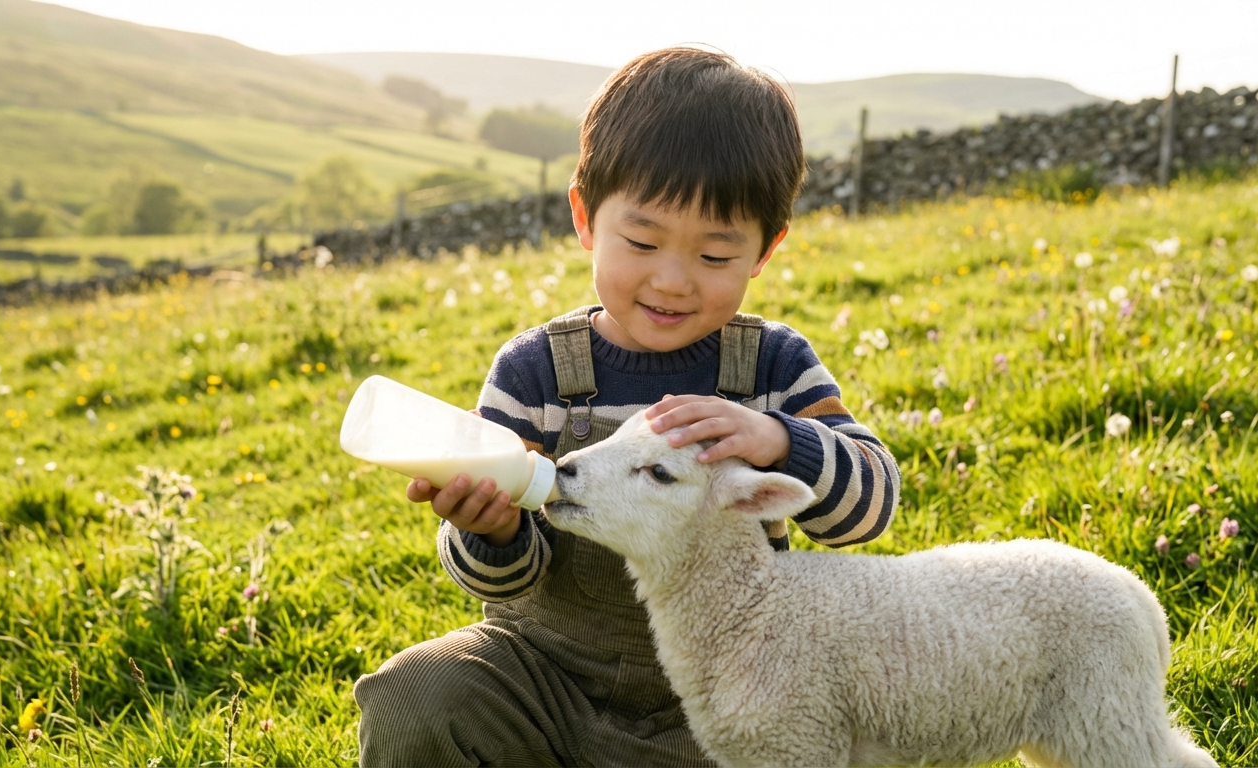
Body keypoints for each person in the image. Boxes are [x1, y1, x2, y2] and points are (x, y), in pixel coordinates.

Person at [354, 46, 902, 767]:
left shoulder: (772, 367)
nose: (672, 280)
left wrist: (776, 438)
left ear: (766, 250)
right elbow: (499, 580)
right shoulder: (535, 372)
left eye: (715, 256)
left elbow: (868, 508)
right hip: (549, 686)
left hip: (724, 695)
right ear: (585, 216)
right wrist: (489, 532)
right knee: (421, 694)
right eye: (642, 241)